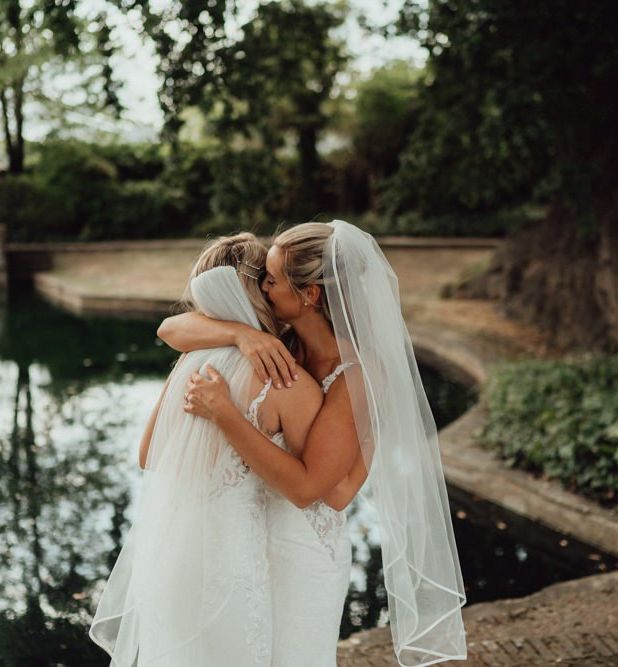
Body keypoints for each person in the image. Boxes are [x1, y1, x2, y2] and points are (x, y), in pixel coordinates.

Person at [162, 220, 467, 666]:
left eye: (271, 278)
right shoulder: (279, 342)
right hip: (254, 539)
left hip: (303, 549)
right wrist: (242, 334)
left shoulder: (358, 375)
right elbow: (171, 328)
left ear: (310, 295)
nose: (262, 288)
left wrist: (226, 415)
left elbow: (317, 491)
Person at [89, 232, 346, 666]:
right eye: (265, 280)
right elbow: (321, 489)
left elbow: (148, 455)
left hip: (177, 552)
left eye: (275, 280)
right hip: (237, 558)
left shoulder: (191, 363)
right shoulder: (289, 380)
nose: (270, 287)